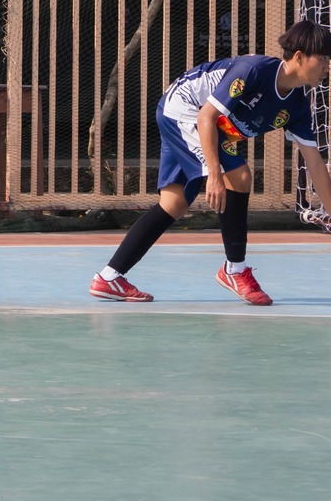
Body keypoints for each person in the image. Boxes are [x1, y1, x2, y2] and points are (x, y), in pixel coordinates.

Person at [90, 19, 331, 305]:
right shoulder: (253, 71)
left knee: (174, 203)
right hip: (186, 109)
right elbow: (206, 116)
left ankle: (109, 277)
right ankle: (235, 270)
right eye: (324, 59)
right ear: (300, 57)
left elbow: (315, 163)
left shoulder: (298, 106)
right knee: (239, 178)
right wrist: (214, 174)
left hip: (204, 123)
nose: (328, 67)